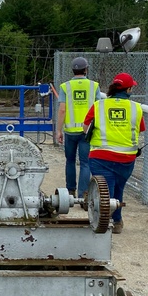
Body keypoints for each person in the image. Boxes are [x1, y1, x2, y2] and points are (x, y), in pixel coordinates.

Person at [83, 72, 145, 235]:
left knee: (104, 190)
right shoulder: (136, 108)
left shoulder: (99, 105)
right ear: (129, 89)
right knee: (118, 188)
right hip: (126, 158)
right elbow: (140, 129)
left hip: (100, 156)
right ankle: (116, 221)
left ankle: (105, 221)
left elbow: (85, 127)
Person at [56, 57, 102, 202]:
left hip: (70, 131)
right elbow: (98, 107)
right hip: (87, 131)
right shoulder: (94, 86)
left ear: (73, 70)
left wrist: (58, 130)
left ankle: (70, 192)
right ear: (86, 69)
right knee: (85, 163)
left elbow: (62, 110)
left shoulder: (65, 86)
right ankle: (83, 195)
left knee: (70, 161)